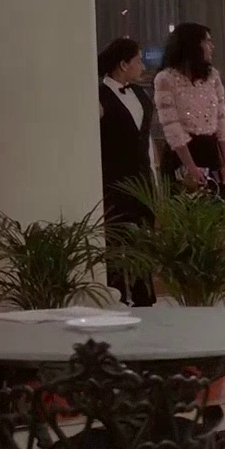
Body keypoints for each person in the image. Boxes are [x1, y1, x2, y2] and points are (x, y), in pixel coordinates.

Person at [153, 23, 225, 309]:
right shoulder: (165, 79)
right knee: (185, 231)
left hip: (210, 152)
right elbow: (171, 125)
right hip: (182, 156)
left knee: (222, 226)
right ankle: (191, 297)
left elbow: (222, 120)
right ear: (192, 45)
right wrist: (190, 168)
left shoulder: (213, 77)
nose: (211, 47)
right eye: (206, 41)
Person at [98, 37, 158, 307]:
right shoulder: (100, 97)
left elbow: (145, 140)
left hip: (142, 180)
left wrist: (152, 174)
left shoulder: (141, 95)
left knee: (144, 241)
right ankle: (117, 297)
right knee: (116, 241)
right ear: (123, 64)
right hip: (114, 181)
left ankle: (145, 298)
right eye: (138, 60)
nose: (142, 66)